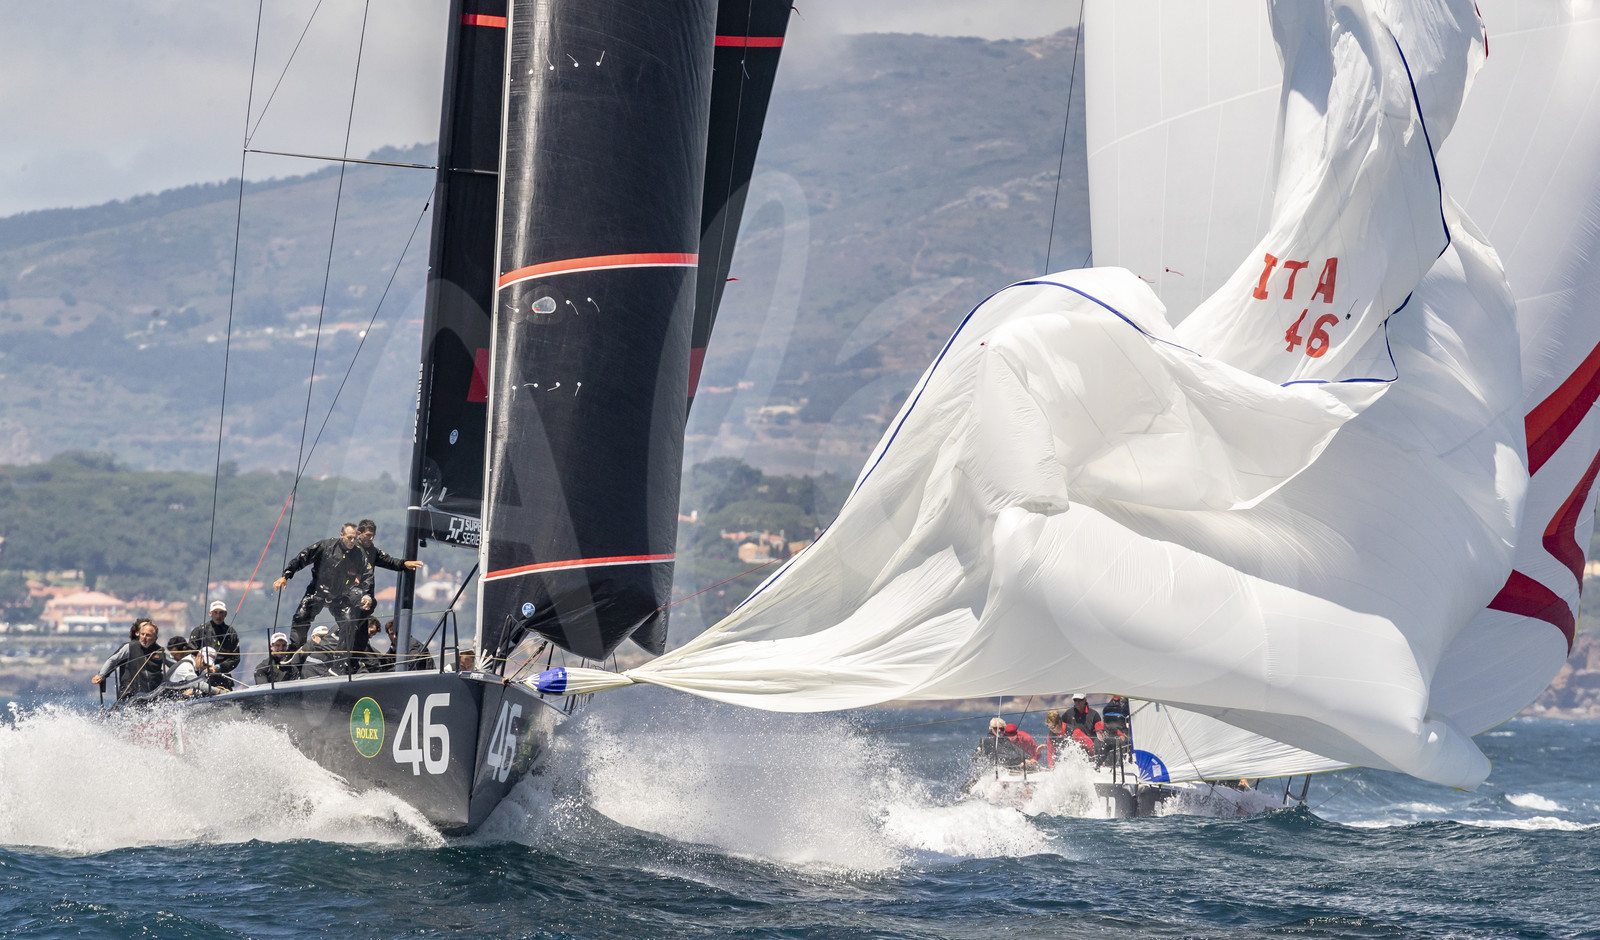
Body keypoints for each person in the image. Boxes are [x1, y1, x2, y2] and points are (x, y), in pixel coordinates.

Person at [273, 523, 372, 663]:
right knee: (301, 617)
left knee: (349, 622)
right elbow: (302, 557)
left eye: (355, 538)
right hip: (317, 592)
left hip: (340, 596)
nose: (352, 541)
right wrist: (286, 575)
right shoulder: (326, 546)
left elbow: (368, 574)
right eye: (349, 538)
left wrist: (366, 595)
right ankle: (294, 649)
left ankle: (341, 659)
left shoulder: (358, 553)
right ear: (341, 535)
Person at [92, 619, 174, 704]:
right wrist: (101, 675)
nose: (144, 637)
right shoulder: (129, 647)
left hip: (153, 695)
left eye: (148, 635)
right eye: (142, 634)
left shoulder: (160, 651)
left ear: (155, 638)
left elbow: (175, 665)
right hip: (130, 695)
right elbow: (112, 660)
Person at [354, 519, 422, 603]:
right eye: (368, 535)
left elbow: (390, 561)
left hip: (365, 598)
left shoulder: (373, 552)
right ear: (359, 533)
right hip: (348, 597)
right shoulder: (349, 549)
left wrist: (404, 563)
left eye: (373, 536)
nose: (371, 538)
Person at [189, 600, 241, 689]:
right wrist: (203, 667)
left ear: (225, 614)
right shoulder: (199, 631)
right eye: (215, 612)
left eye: (221, 612)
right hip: (201, 678)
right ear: (210, 613)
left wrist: (218, 667)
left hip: (223, 678)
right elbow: (191, 654)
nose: (218, 616)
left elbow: (235, 658)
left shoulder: (231, 633)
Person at [1096, 695, 1133, 768]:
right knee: (1130, 741)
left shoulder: (1112, 702)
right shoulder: (1126, 701)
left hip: (1108, 721)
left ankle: (1098, 764)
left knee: (1109, 743)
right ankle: (1127, 761)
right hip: (1119, 722)